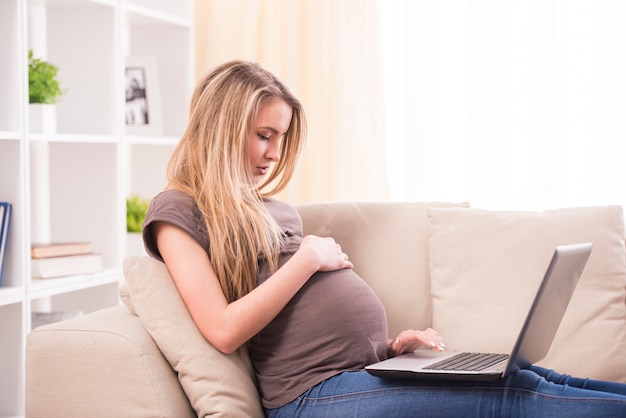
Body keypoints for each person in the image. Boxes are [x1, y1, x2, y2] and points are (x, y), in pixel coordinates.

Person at [142, 60, 626, 417]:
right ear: (221, 128)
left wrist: (392, 351)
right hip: (310, 398)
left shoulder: (267, 208)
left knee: (527, 376)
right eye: (262, 135)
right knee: (516, 400)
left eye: (280, 139)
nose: (272, 154)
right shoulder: (177, 210)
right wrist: (306, 258)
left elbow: (306, 327)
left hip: (360, 376)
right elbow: (223, 330)